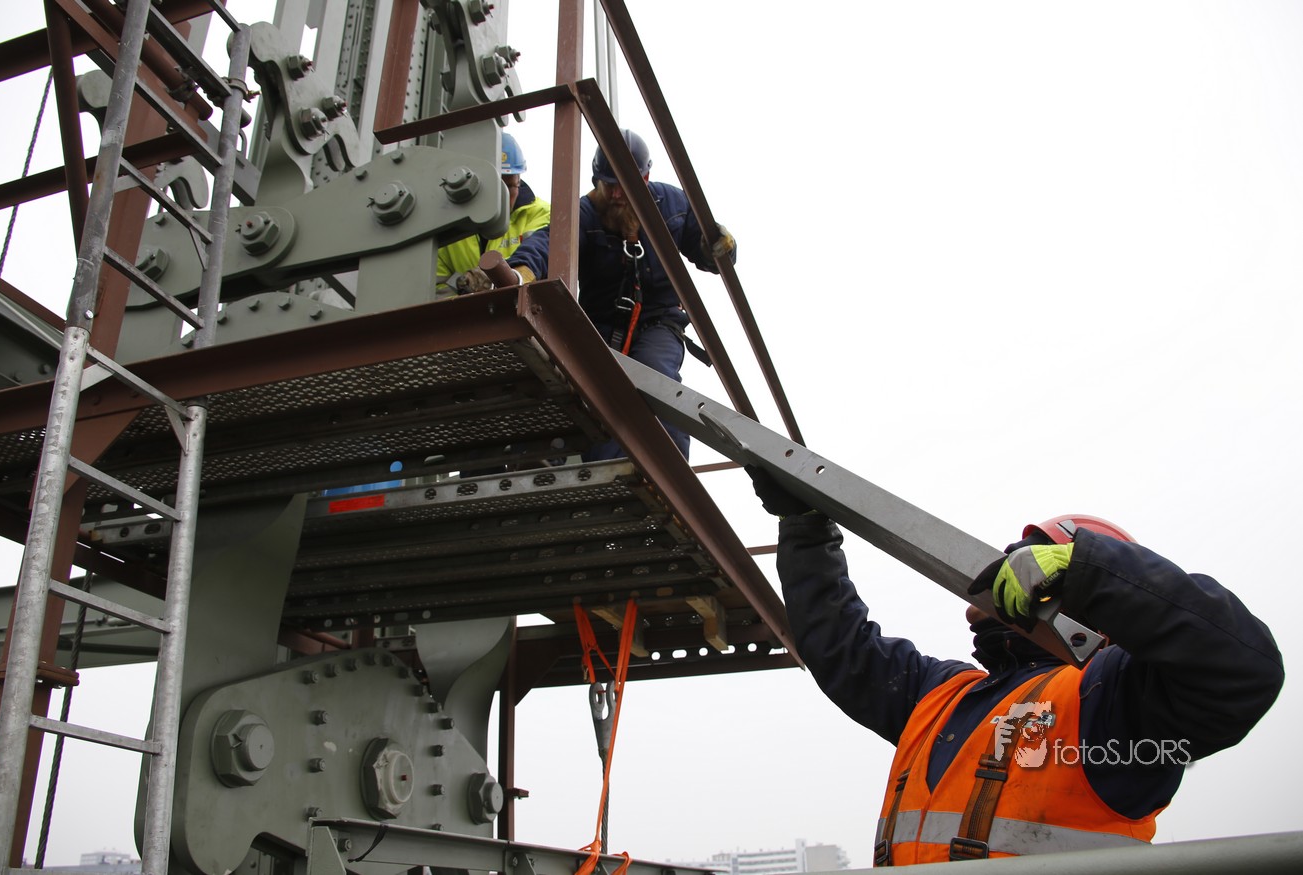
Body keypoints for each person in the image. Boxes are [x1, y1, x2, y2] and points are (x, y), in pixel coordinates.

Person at [746, 466, 1284, 866]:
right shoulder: (943, 695)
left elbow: (1242, 668)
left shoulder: (1115, 699)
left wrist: (1089, 570)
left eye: (1025, 564)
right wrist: (805, 530)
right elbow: (840, 646)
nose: (983, 590)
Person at [507, 129, 736, 461]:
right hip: (599, 325)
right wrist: (522, 272)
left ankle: (670, 469)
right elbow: (548, 243)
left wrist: (719, 246)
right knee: (598, 397)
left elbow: (707, 249)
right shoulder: (585, 213)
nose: (616, 194)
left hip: (659, 322)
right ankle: (603, 472)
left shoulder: (671, 205)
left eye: (624, 184)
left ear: (645, 179)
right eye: (608, 185)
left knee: (657, 380)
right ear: (596, 181)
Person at [437, 131, 550, 294]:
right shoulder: (445, 224)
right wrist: (463, 288)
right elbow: (434, 288)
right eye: (495, 187)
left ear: (519, 180)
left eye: (509, 186)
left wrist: (492, 278)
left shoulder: (540, 214)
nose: (503, 196)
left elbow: (540, 262)